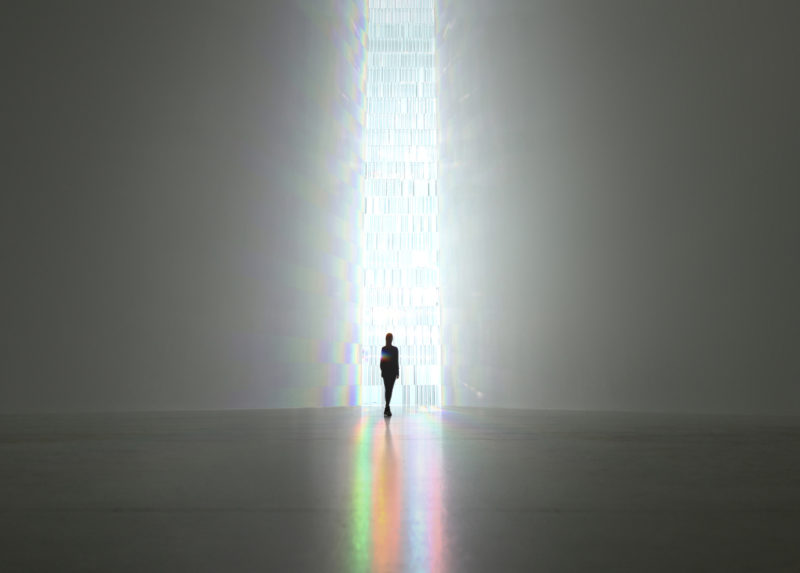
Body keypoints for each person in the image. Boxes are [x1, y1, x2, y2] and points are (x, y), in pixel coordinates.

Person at [380, 333, 399, 417]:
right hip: (392, 372)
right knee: (389, 390)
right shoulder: (395, 349)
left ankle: (387, 408)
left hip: (386, 372)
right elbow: (396, 361)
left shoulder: (384, 348)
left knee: (387, 389)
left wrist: (382, 371)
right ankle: (387, 408)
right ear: (391, 339)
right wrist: (397, 372)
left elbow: (382, 362)